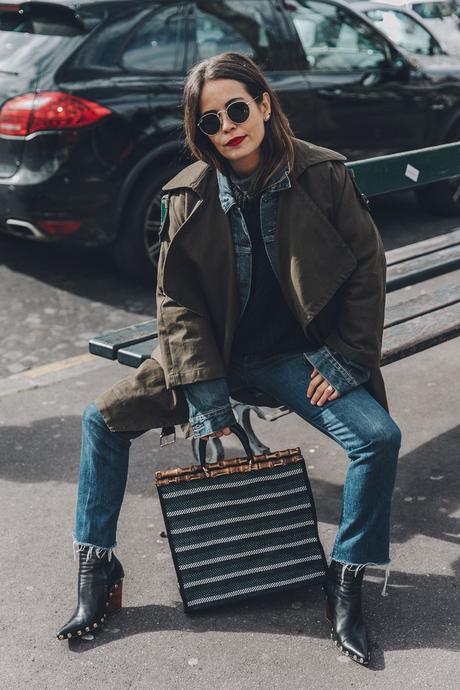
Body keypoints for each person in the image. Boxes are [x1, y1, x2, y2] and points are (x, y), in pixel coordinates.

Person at [56, 51, 402, 667]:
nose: (227, 128)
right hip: (209, 357)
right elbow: (177, 300)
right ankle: (98, 567)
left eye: (236, 109)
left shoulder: (323, 175)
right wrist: (207, 399)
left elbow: (366, 268)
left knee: (377, 438)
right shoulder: (186, 194)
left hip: (297, 355)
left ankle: (346, 576)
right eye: (209, 121)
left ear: (265, 104)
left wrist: (346, 360)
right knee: (100, 420)